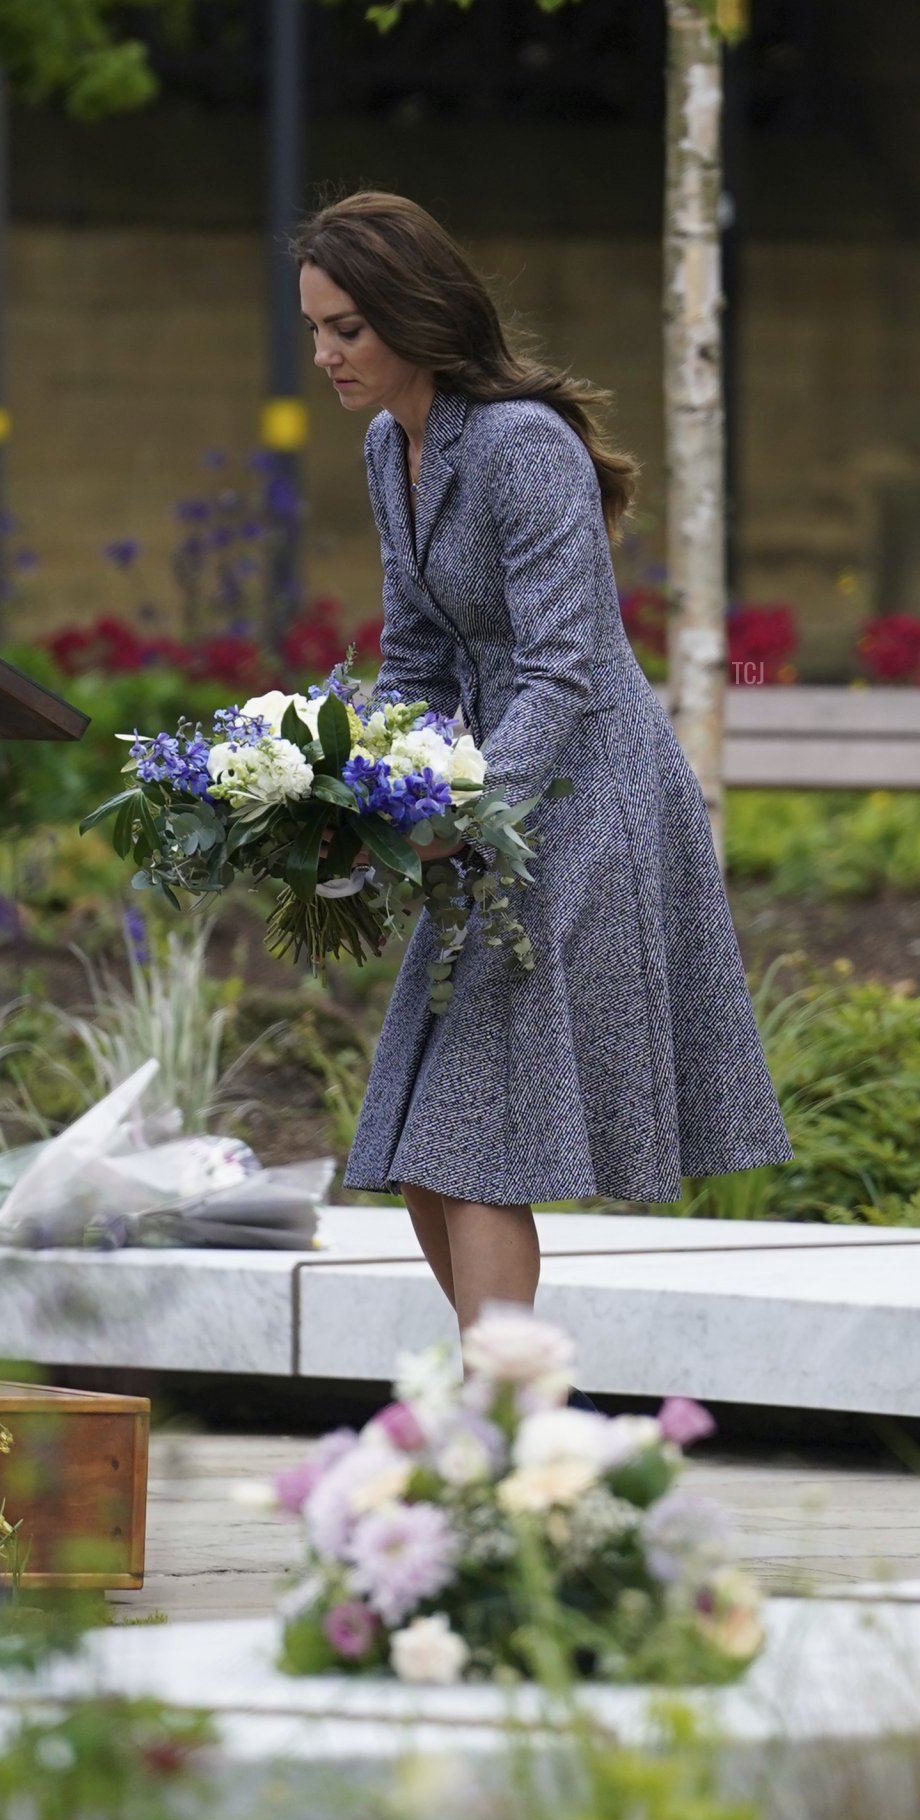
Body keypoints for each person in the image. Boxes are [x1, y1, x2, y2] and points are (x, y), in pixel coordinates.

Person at [290, 190, 793, 1339]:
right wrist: (365, 791)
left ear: (415, 316)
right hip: (482, 805)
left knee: (471, 1147)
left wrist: (455, 814)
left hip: (587, 798)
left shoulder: (524, 447)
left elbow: (563, 671)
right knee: (427, 1147)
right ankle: (508, 1422)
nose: (325, 354)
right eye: (315, 329)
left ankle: (501, 1439)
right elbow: (416, 655)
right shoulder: (391, 449)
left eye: (346, 329)